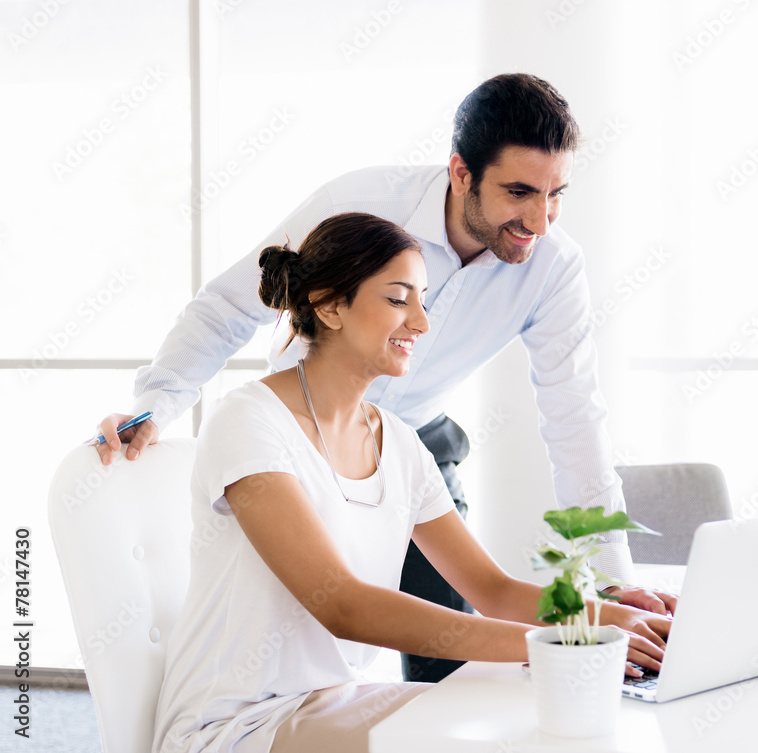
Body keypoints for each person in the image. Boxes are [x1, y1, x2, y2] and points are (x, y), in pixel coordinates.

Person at [94, 73, 676, 681]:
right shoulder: (360, 205)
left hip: (411, 439)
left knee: (451, 664)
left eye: (556, 194)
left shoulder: (553, 268)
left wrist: (610, 596)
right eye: (519, 191)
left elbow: (574, 420)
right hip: (297, 437)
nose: (541, 220)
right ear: (461, 173)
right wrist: (158, 403)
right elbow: (229, 307)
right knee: (285, 632)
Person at [152, 212, 671, 753]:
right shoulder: (249, 421)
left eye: (422, 300)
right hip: (237, 723)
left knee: (520, 719)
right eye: (399, 299)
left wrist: (616, 619)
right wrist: (559, 643)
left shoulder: (399, 443)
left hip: (335, 700)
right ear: (329, 305)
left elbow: (493, 590)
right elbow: (343, 606)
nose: (421, 323)